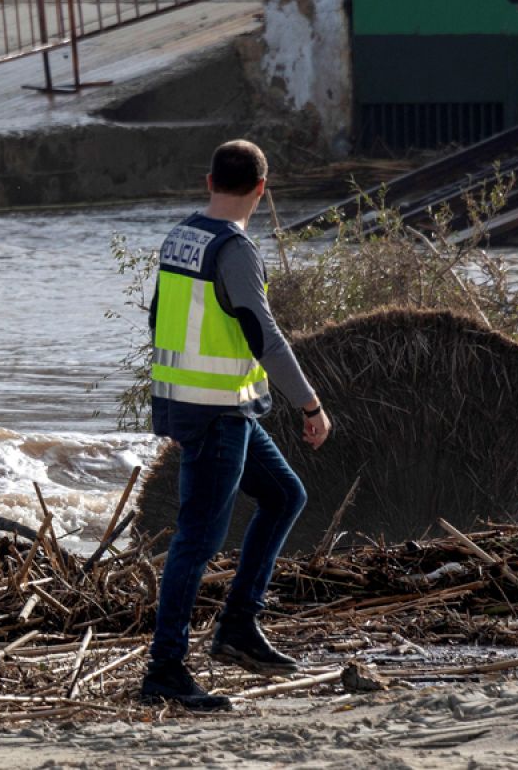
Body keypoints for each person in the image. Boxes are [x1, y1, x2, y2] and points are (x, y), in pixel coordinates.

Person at [141, 139, 332, 711]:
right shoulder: (236, 249)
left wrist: (174, 402)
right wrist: (310, 404)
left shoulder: (183, 235)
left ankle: (238, 630)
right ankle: (165, 670)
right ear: (261, 190)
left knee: (284, 496)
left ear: (208, 182)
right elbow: (263, 335)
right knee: (195, 541)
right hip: (216, 413)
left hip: (207, 406)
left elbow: (156, 316)